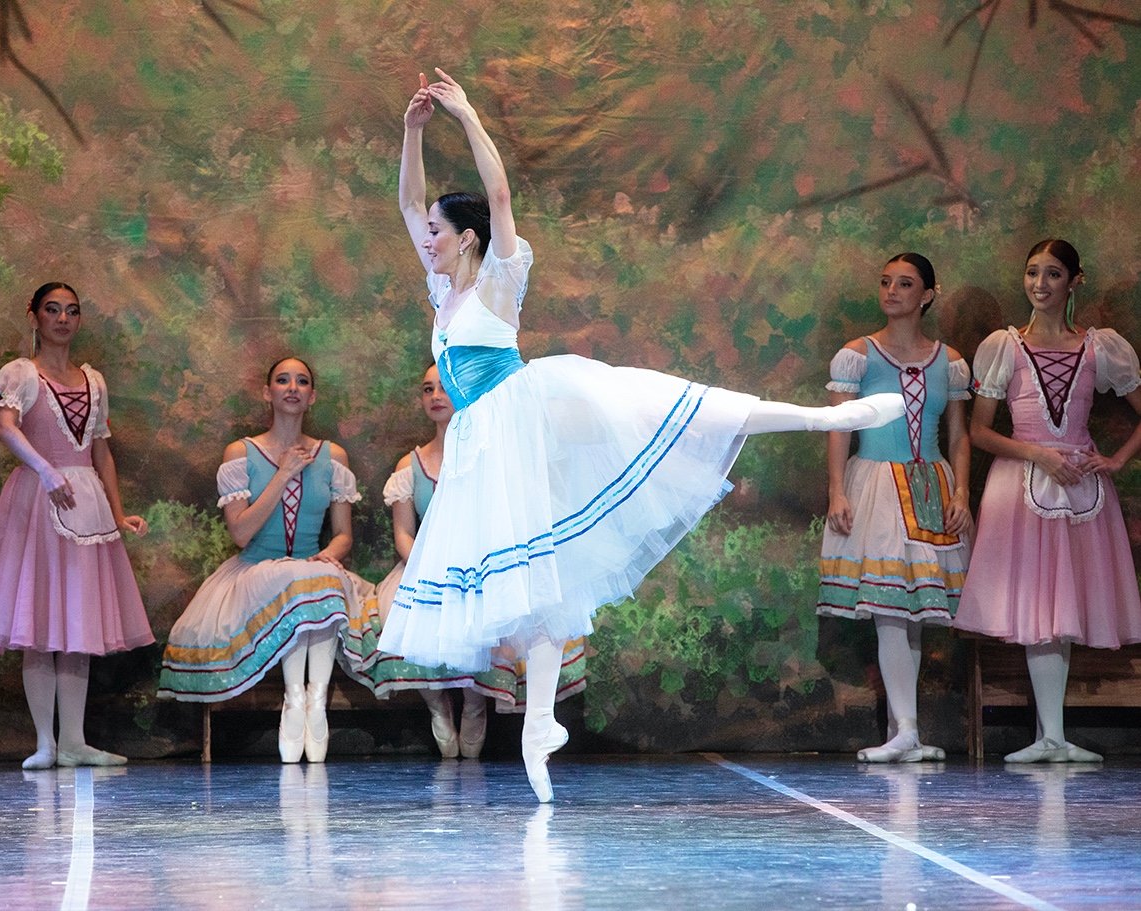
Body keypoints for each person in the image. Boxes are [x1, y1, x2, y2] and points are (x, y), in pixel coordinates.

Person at [379, 69, 905, 801]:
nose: (425, 238)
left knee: (676, 408)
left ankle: (822, 417)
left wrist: (466, 116)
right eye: (428, 232)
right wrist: (411, 132)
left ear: (465, 238)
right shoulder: (445, 289)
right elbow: (407, 202)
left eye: (437, 230)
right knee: (534, 582)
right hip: (486, 445)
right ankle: (538, 724)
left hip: (532, 413)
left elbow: (499, 197)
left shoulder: (497, 279)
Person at [955, 239, 1141, 762]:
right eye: (1033, 272)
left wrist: (1117, 459)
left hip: (1082, 487)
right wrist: (1038, 453)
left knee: (1065, 604)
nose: (1040, 284)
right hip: (1021, 485)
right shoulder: (1003, 346)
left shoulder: (1101, 347)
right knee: (1037, 604)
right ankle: (1049, 736)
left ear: (1074, 281)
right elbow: (980, 431)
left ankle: (1054, 736)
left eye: (1053, 274)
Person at [0, 282, 153, 770]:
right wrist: (46, 471)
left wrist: (117, 508)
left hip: (85, 506)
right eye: (52, 310)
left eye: (71, 311)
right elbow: (6, 427)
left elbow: (100, 449)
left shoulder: (94, 380)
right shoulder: (22, 374)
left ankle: (74, 741)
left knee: (79, 624)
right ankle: (45, 741)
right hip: (38, 502)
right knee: (40, 621)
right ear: (34, 316)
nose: (62, 319)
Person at [350, 364, 586, 758]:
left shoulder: (487, 460)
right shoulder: (409, 467)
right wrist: (431, 567)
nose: (436, 396)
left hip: (477, 567)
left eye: (445, 388)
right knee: (412, 616)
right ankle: (438, 706)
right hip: (423, 569)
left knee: (486, 617)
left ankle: (475, 705)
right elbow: (404, 535)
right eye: (428, 389)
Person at [158, 357, 373, 763]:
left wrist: (327, 555)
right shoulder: (241, 452)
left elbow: (343, 534)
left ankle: (315, 701)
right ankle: (294, 699)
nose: (292, 387)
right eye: (282, 380)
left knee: (318, 579)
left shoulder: (333, 456)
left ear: (312, 396)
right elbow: (240, 533)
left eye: (302, 381)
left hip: (312, 571)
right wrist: (284, 472)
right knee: (302, 581)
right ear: (267, 392)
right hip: (255, 573)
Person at [817, 253, 973, 762]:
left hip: (928, 484)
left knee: (913, 613)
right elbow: (840, 427)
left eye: (905, 284)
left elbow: (959, 435)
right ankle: (904, 730)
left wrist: (961, 493)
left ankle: (906, 729)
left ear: (927, 294)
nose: (892, 291)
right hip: (877, 485)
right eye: (885, 281)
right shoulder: (858, 355)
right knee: (888, 609)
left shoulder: (947, 362)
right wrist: (837, 490)